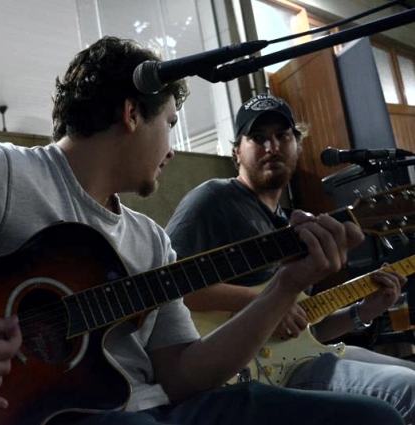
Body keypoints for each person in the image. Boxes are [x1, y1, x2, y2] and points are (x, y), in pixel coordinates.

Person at [0, 38, 404, 425]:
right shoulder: (5, 175)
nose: (172, 146)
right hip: (69, 415)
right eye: (170, 122)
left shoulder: (150, 240)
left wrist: (282, 289)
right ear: (131, 112)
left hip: (160, 407)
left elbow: (181, 374)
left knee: (371, 420)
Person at [166, 92, 415, 424]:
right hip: (241, 376)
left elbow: (305, 329)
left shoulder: (292, 225)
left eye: (282, 136)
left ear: (298, 145)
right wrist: (267, 304)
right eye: (258, 137)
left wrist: (365, 310)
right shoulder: (214, 199)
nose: (272, 146)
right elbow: (167, 289)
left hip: (300, 360)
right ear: (237, 150)